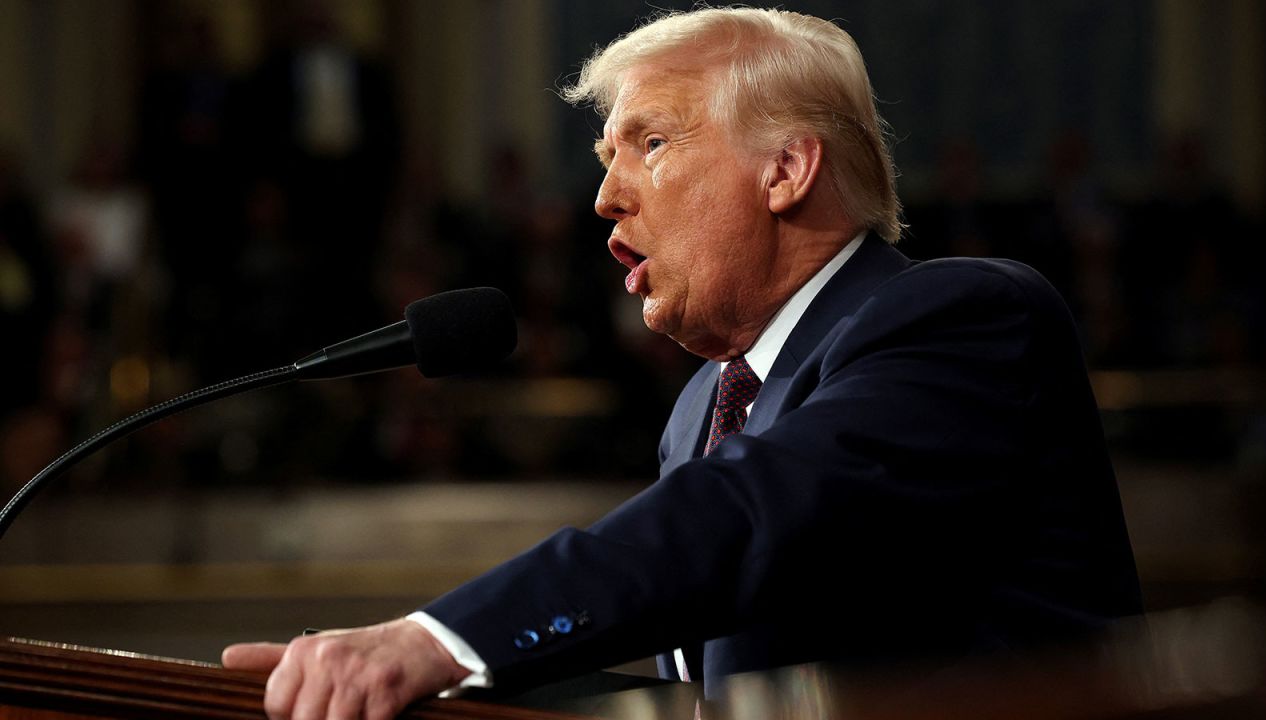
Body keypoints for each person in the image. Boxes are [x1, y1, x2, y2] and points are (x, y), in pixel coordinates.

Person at [223, 7, 1143, 719]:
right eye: (604, 156)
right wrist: (445, 694)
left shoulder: (965, 318)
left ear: (786, 169)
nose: (603, 197)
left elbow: (751, 513)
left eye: (650, 144)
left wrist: (443, 640)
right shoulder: (704, 402)